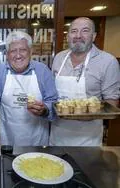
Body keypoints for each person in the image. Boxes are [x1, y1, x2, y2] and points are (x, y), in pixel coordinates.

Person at [0, 31, 58, 149]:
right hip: (8, 140)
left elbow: (54, 103)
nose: (18, 55)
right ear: (7, 54)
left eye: (23, 50)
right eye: (13, 51)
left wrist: (44, 110)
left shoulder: (42, 71)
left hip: (38, 142)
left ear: (30, 52)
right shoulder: (0, 71)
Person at [50, 17, 120, 146]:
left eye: (85, 31)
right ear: (68, 36)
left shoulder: (108, 62)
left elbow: (112, 102)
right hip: (57, 135)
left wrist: (83, 113)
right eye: (74, 31)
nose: (78, 36)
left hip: (88, 139)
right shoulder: (59, 58)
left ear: (93, 36)